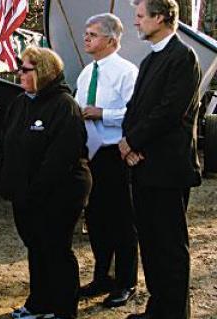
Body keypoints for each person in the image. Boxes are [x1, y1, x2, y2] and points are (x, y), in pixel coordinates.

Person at [119, 0, 202, 318]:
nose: (136, 23)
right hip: (142, 166)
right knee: (151, 244)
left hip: (168, 169)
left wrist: (133, 142)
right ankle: (158, 308)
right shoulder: (151, 58)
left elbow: (169, 112)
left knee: (170, 246)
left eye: (141, 16)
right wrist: (126, 142)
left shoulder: (183, 57)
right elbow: (135, 107)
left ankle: (174, 313)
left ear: (162, 18)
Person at [0, 47, 92, 319]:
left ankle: (63, 309)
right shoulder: (20, 103)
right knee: (36, 248)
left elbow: (61, 157)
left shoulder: (64, 106)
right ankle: (39, 302)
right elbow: (8, 143)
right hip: (26, 194)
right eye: (20, 67)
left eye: (25, 69)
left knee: (55, 249)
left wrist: (34, 190)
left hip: (58, 193)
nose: (19, 73)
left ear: (43, 72)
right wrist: (10, 183)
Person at [76, 13, 139, 307]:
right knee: (96, 219)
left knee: (122, 221)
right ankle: (102, 276)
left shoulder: (127, 72)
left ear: (112, 40)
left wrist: (104, 114)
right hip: (90, 155)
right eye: (86, 33)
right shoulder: (87, 73)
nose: (86, 38)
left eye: (93, 34)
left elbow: (136, 112)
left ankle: (126, 282)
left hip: (116, 154)